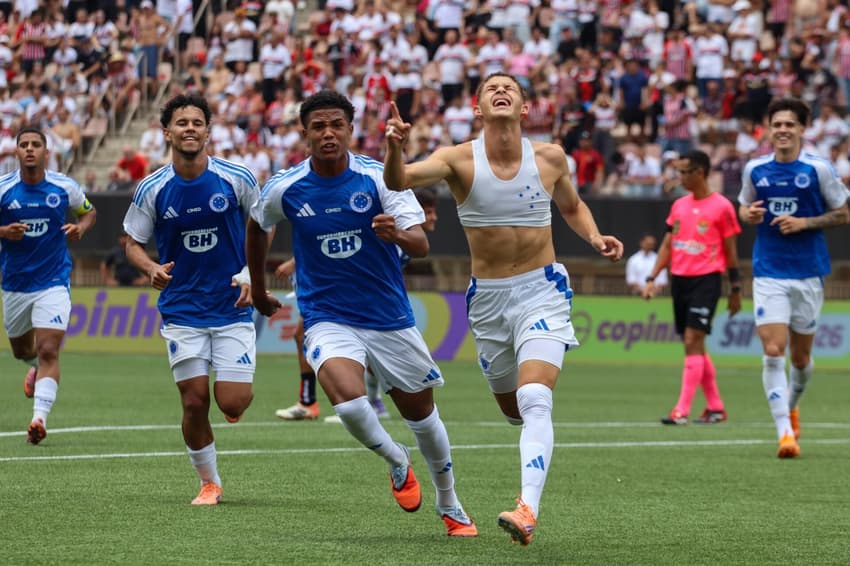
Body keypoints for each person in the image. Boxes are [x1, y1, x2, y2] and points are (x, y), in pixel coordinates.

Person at [383, 72, 624, 546]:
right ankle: (526, 443)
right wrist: (395, 146)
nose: (501, 92)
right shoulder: (456, 159)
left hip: (543, 290)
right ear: (477, 109)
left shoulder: (550, 157)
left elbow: (572, 207)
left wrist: (595, 236)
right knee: (513, 409)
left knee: (536, 399)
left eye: (509, 89)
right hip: (489, 301)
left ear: (524, 108)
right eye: (491, 89)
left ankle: (527, 509)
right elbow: (400, 180)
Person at [246, 90, 477, 537]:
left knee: (423, 417)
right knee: (351, 406)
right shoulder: (286, 187)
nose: (328, 133)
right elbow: (258, 224)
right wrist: (257, 288)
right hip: (326, 315)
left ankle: (450, 503)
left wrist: (395, 235)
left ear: (351, 130)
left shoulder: (381, 179)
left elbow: (421, 244)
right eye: (318, 127)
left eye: (337, 125)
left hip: (388, 316)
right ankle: (396, 459)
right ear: (305, 133)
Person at [123, 93, 261, 505]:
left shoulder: (237, 178)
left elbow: (263, 226)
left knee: (233, 401)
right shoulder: (153, 188)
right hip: (182, 308)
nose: (189, 129)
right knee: (194, 399)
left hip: (232, 305)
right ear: (167, 132)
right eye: (181, 122)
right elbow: (132, 241)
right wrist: (150, 268)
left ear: (207, 130)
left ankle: (234, 401)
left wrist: (253, 273)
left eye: (197, 122)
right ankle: (209, 482)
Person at [737, 98, 850, 459]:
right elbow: (743, 206)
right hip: (769, 270)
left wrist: (806, 222)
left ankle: (793, 404)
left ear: (803, 129)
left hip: (809, 271)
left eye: (790, 124)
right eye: (777, 124)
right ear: (768, 129)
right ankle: (785, 433)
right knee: (773, 351)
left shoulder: (819, 169)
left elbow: (842, 214)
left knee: (801, 361)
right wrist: (748, 214)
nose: (783, 130)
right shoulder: (755, 169)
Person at [0, 126, 97, 444]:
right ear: (16, 152)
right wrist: (4, 233)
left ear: (46, 152)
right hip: (14, 284)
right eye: (24, 144)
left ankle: (38, 420)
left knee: (49, 350)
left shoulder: (63, 186)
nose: (29, 149)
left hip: (53, 280)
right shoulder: (4, 188)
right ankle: (34, 369)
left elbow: (89, 211)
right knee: (21, 351)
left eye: (36, 144)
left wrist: (81, 227)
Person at [642, 150, 742, 426]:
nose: (680, 177)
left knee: (691, 341)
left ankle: (681, 410)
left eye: (684, 172)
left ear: (700, 172)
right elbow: (666, 245)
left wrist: (735, 288)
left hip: (707, 280)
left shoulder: (722, 207)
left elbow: (731, 252)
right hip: (680, 280)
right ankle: (716, 407)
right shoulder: (679, 206)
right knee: (696, 344)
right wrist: (652, 278)